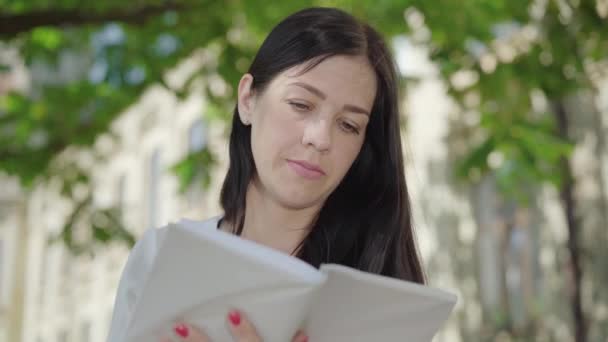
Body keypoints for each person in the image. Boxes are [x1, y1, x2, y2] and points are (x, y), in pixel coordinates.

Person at [107, 6, 425, 342]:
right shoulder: (160, 258)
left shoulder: (380, 303)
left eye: (348, 125)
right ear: (247, 99)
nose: (319, 138)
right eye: (301, 104)